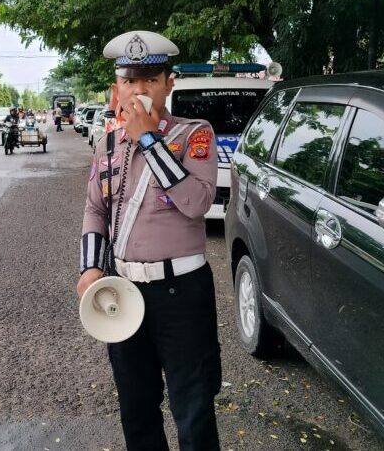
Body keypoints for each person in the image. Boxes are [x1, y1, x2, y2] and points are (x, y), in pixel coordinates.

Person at [76, 30, 221, 451]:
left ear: (168, 84)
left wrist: (147, 139)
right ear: (115, 89)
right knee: (136, 408)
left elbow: (196, 203)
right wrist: (90, 267)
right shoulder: (106, 145)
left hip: (182, 294)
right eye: (130, 80)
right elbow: (94, 210)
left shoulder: (195, 135)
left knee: (192, 409)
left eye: (151, 79)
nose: (140, 89)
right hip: (124, 291)